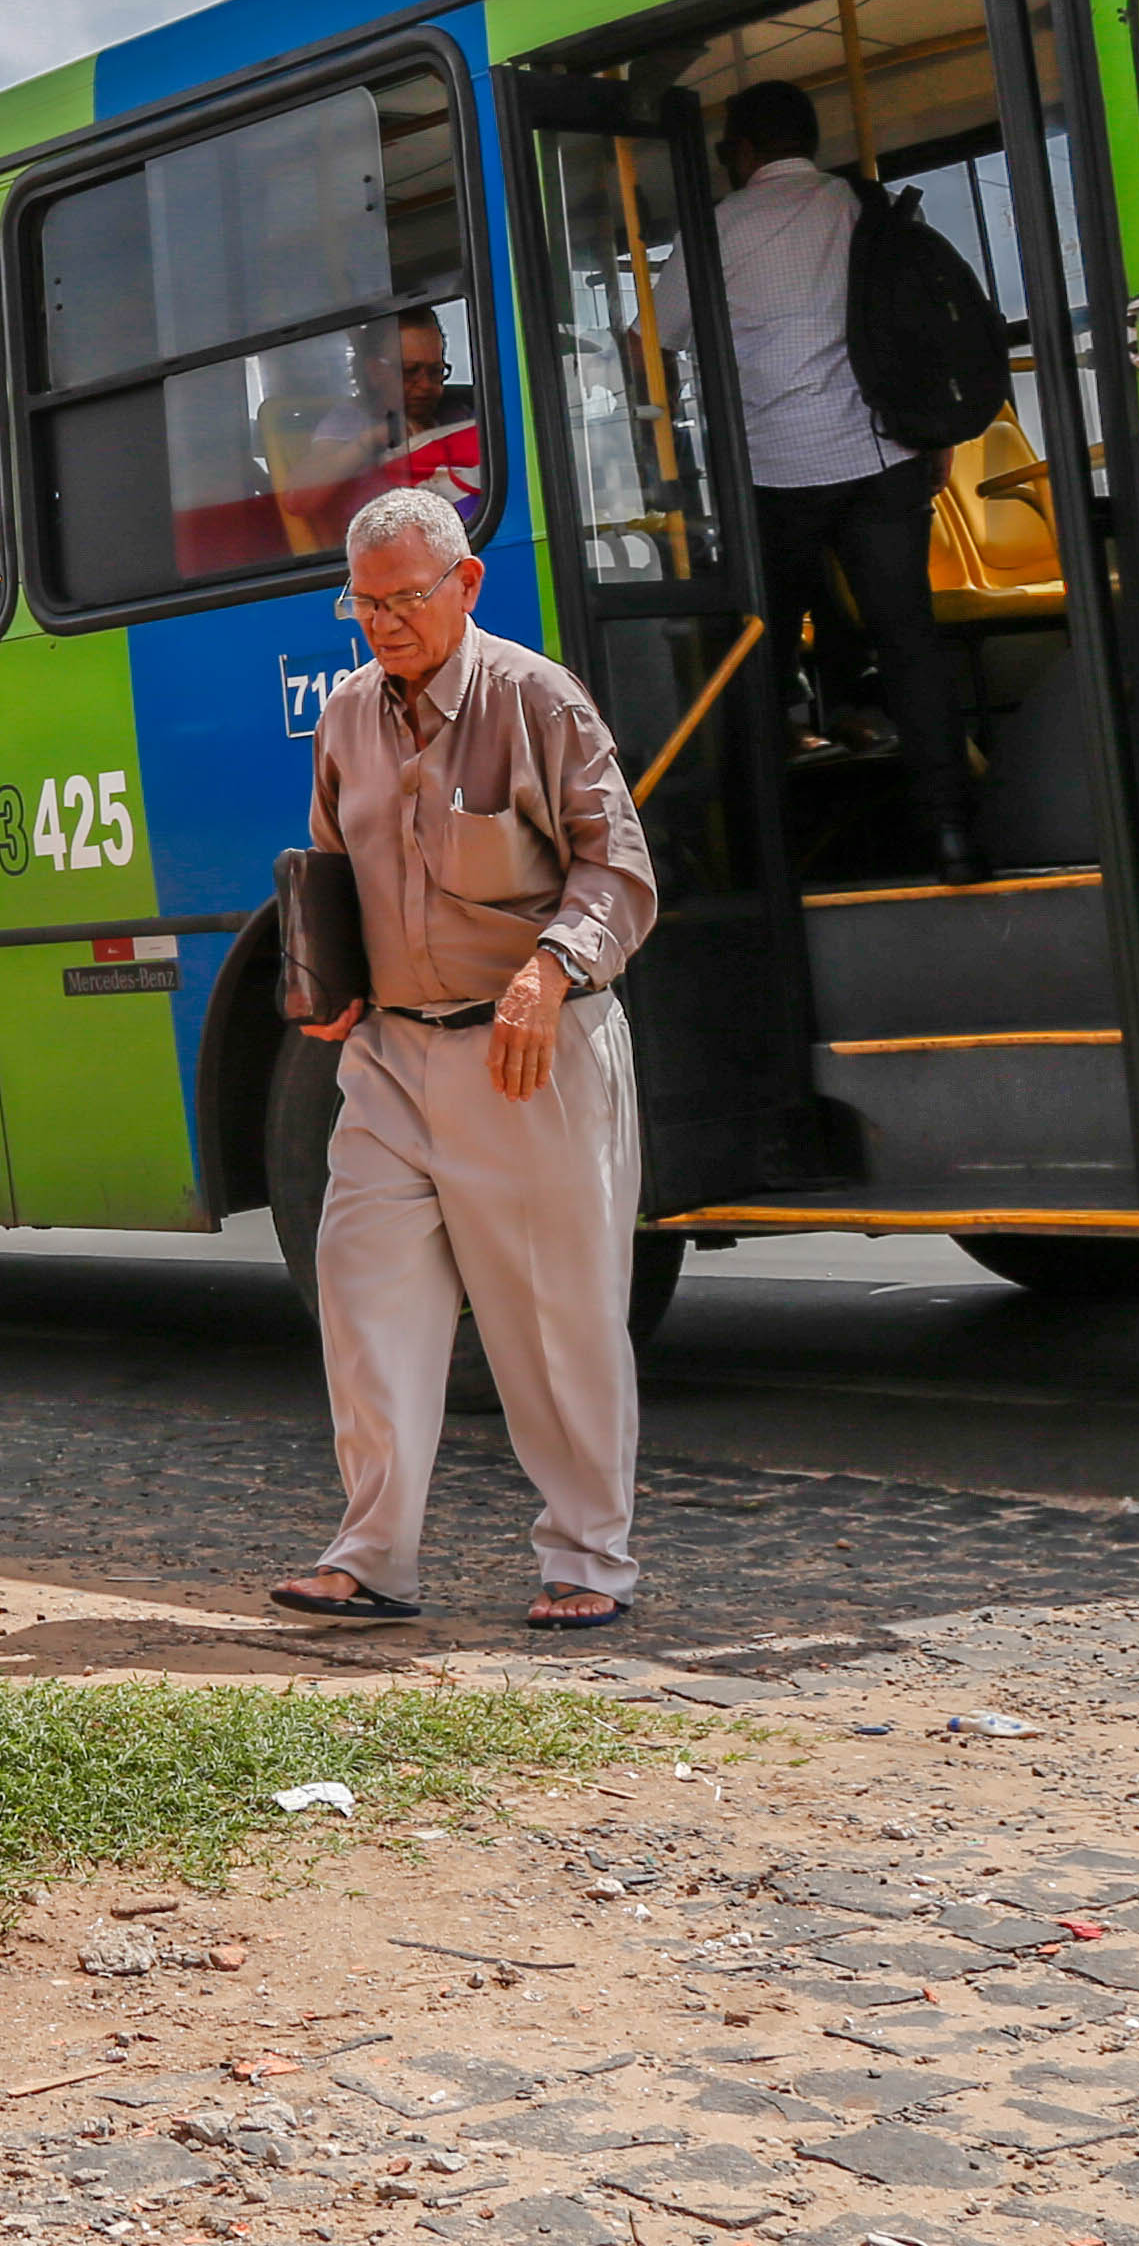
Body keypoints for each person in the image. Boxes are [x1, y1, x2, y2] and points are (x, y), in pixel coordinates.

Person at [266, 485, 663, 1636]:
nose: (384, 622)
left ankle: (590, 1558)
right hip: (390, 1058)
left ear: (467, 585)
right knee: (364, 1292)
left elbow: (619, 875)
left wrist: (552, 965)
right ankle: (373, 1556)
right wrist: (324, 983)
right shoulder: (345, 716)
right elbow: (332, 869)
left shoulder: (539, 699)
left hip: (527, 1052)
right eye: (364, 602)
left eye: (406, 598)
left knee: (556, 1320)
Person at [708, 80, 980, 883]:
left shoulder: (719, 228)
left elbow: (657, 332)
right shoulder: (865, 208)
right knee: (910, 647)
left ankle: (768, 855)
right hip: (883, 460)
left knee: (758, 659)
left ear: (744, 150)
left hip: (774, 470)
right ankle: (952, 836)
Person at [378, 307, 488, 527]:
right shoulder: (354, 423)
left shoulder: (465, 409)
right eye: (409, 371)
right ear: (375, 372)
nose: (426, 385)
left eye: (436, 371)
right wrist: (370, 439)